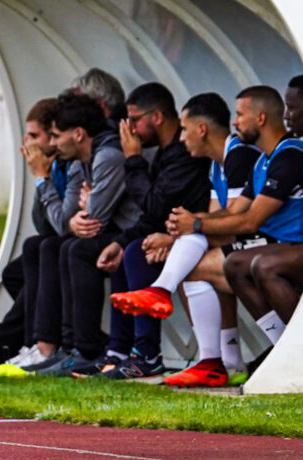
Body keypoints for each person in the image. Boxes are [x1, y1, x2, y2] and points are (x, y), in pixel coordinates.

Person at [139, 86, 303, 388]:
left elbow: (247, 221)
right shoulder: (261, 161)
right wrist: (186, 227)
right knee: (214, 263)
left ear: (259, 118)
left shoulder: (283, 156)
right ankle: (230, 358)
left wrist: (191, 228)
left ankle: (259, 353)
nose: (235, 123)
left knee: (217, 265)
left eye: (240, 115)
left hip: (295, 243)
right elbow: (230, 213)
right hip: (271, 242)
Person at [109, 91, 260, 385]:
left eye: (185, 129)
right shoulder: (218, 163)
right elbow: (217, 218)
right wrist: (182, 231)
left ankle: (212, 357)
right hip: (246, 241)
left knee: (193, 265)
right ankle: (223, 361)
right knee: (193, 255)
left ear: (201, 129)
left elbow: (235, 224)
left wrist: (186, 230)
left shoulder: (239, 154)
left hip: (271, 243)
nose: (181, 138)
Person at [92, 83, 212, 381]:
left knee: (137, 251)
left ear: (156, 116)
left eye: (134, 120)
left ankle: (147, 355)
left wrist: (133, 159)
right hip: (177, 237)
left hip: (200, 238)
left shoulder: (184, 155)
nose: (129, 129)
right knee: (129, 249)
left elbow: (156, 207)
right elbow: (153, 215)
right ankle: (119, 351)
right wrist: (119, 242)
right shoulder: (164, 153)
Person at [23, 91, 141, 375]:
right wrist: (46, 184)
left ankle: (85, 348)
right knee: (51, 245)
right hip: (110, 234)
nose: (52, 144)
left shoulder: (108, 156)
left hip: (132, 235)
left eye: (56, 135)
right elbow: (60, 224)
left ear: (77, 134)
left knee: (75, 249)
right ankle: (65, 347)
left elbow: (94, 220)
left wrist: (42, 180)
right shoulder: (78, 161)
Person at [0, 98, 71, 367]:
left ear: (52, 138)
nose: (26, 142)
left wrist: (43, 179)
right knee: (16, 272)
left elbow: (62, 225)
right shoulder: (54, 166)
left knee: (38, 256)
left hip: (75, 244)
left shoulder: (71, 165)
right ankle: (26, 341)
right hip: (57, 242)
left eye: (34, 135)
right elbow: (43, 224)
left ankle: (8, 348)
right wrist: (42, 178)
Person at [222, 74, 303, 340]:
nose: (287, 116)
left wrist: (195, 225)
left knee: (263, 267)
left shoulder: (295, 153)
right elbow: (236, 211)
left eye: (292, 107)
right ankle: (279, 346)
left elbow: (249, 220)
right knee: (233, 264)